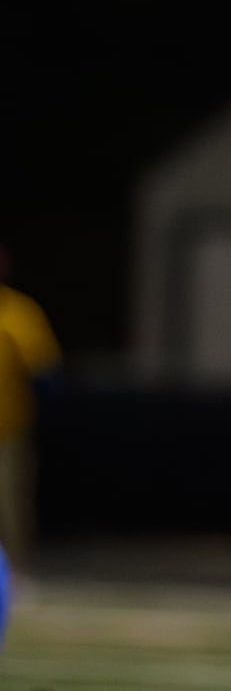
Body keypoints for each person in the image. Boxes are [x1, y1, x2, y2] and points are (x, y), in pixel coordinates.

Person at [0, 243, 62, 576]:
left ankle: (16, 573)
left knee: (11, 505)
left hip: (7, 430)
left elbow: (44, 371)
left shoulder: (18, 312)